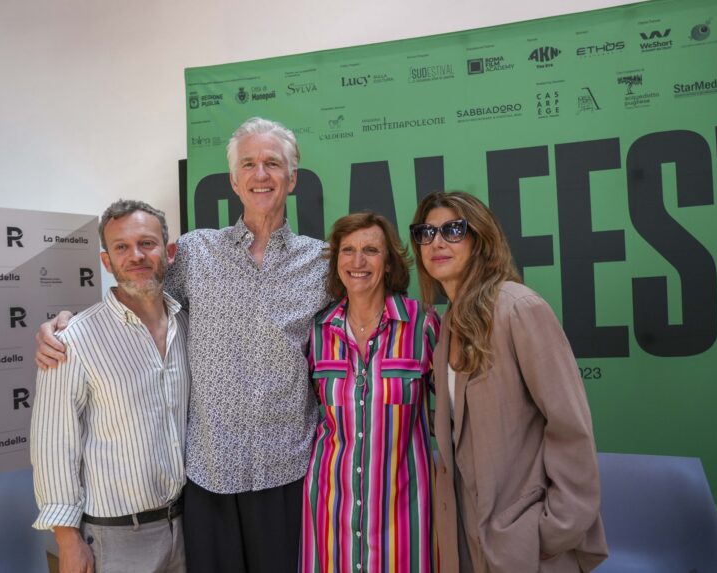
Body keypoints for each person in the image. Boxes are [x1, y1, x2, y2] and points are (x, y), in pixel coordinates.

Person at [35, 117, 330, 572]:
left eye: (273, 163)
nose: (261, 174)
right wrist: (66, 323)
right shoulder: (195, 252)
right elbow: (137, 295)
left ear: (293, 178)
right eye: (249, 164)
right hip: (208, 480)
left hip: (287, 472)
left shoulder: (323, 263)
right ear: (233, 180)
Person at [409, 191, 608, 573]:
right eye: (426, 232)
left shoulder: (519, 308)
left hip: (526, 544)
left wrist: (552, 532)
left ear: (480, 239)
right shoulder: (448, 325)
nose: (436, 242)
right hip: (467, 538)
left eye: (453, 230)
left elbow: (571, 429)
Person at [30, 200, 189, 573]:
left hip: (186, 525)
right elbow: (54, 445)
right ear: (107, 261)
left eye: (147, 243)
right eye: (121, 247)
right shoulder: (73, 340)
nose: (135, 255)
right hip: (115, 538)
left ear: (168, 252)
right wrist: (66, 539)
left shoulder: (187, 327)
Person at [300, 212, 440, 573]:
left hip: (404, 516)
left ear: (390, 261)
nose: (357, 262)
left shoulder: (422, 324)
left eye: (371, 250)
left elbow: (462, 412)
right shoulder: (317, 332)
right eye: (347, 250)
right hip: (331, 516)